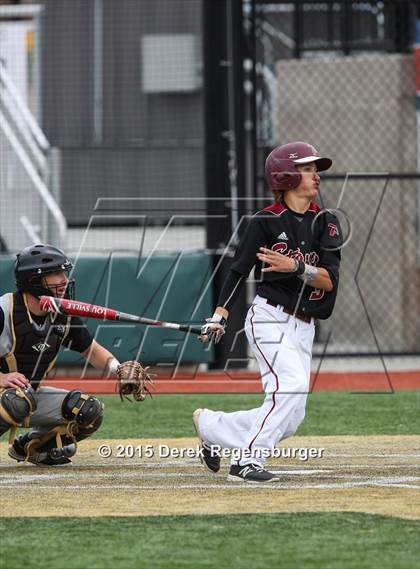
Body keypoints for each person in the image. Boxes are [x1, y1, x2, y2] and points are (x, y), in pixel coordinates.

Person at [193, 141, 342, 483]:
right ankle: (247, 461)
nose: (315, 175)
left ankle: (211, 426)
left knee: (292, 417)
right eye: (306, 169)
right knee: (288, 388)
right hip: (269, 318)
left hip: (304, 327)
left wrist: (296, 267)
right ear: (286, 175)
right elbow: (237, 270)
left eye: (314, 169)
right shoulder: (264, 221)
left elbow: (329, 280)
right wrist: (220, 314)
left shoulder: (327, 222)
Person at [0, 244, 124, 465]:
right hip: (11, 398)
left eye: (64, 272)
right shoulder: (4, 310)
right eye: (56, 273)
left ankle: (31, 447)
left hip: (26, 396)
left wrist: (120, 370)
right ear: (34, 280)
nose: (64, 280)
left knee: (88, 410)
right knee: (16, 400)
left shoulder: (61, 315)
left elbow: (91, 350)